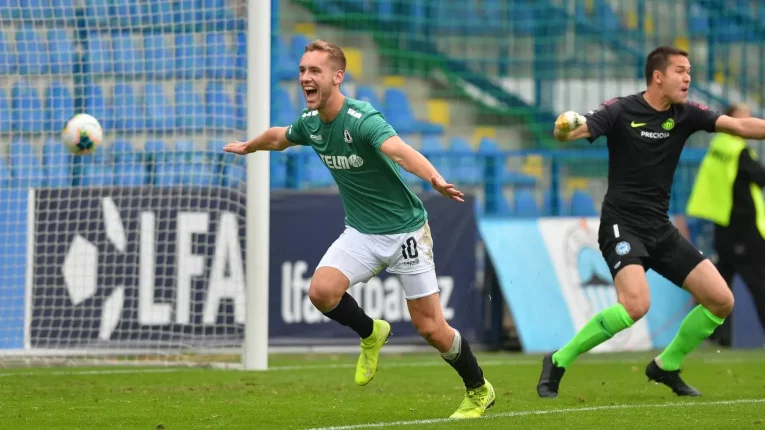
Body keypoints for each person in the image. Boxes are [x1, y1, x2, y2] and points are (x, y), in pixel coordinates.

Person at [223, 39, 495, 419]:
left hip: (406, 234)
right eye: (302, 70)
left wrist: (434, 177)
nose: (305, 78)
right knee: (321, 292)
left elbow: (400, 150)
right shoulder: (311, 124)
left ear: (337, 77)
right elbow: (278, 137)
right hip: (362, 233)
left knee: (431, 329)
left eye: (314, 71)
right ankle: (371, 332)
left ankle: (479, 389)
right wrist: (249, 146)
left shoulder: (362, 119)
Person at [538, 45, 765, 398]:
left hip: (660, 228)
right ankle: (558, 360)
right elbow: (574, 130)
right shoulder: (620, 109)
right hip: (621, 224)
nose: (688, 77)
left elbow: (737, 125)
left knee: (721, 300)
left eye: (689, 70)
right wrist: (568, 127)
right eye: (680, 70)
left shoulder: (687, 114)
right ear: (658, 76)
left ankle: (666, 365)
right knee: (636, 305)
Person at [686, 103, 765, 347]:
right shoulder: (737, 149)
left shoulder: (716, 146)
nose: (750, 122)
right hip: (743, 227)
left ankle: (718, 335)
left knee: (721, 282)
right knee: (758, 282)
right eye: (744, 118)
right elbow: (760, 178)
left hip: (722, 224)